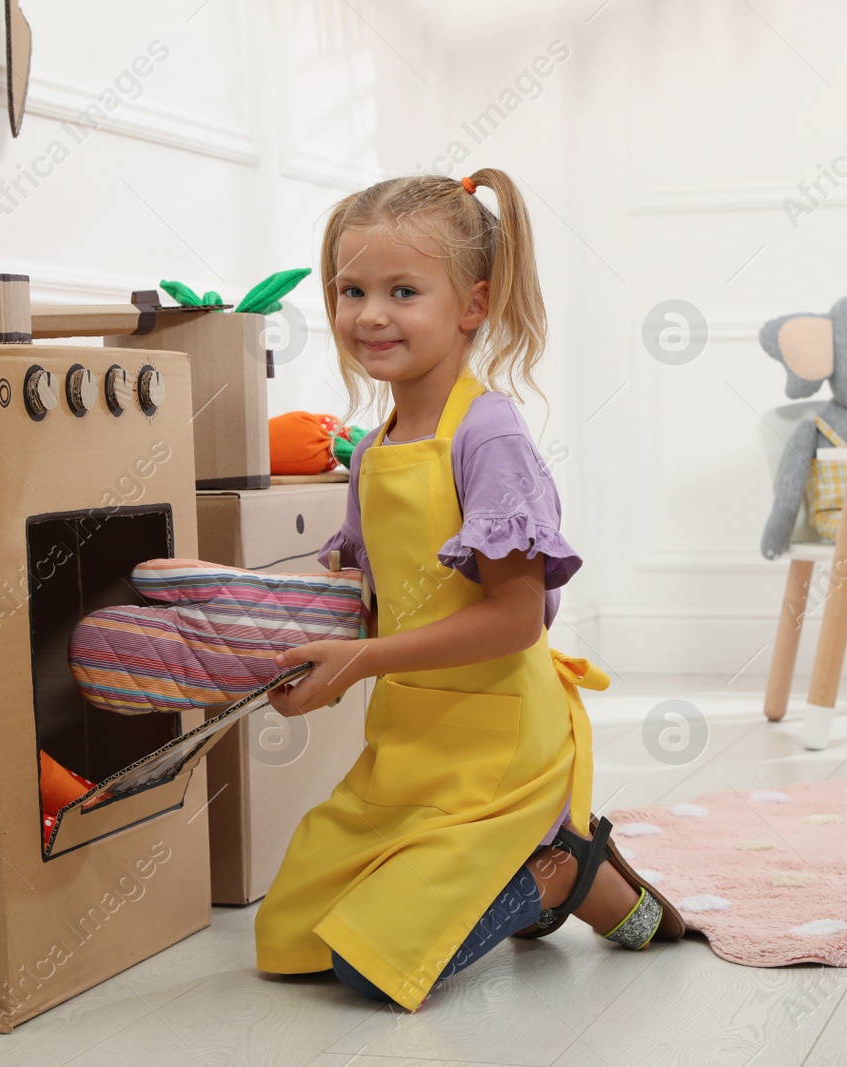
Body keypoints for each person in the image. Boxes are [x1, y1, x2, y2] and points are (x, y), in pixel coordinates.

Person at [253, 170, 684, 1013]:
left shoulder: (487, 435)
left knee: (370, 970)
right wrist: (276, 644)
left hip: (497, 746)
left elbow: (515, 618)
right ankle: (523, 869)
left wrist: (363, 658)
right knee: (286, 941)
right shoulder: (373, 447)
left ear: (472, 305)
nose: (369, 314)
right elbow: (378, 601)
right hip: (409, 738)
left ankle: (562, 870)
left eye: (402, 290)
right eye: (352, 290)